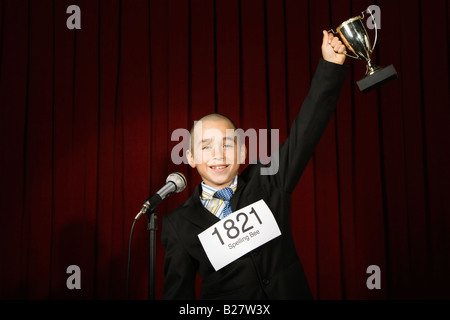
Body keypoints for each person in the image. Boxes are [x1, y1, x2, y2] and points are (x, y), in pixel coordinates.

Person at [161, 31, 348, 299]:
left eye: (227, 144)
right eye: (206, 146)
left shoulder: (269, 180)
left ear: (242, 151)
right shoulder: (177, 224)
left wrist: (330, 65)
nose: (218, 155)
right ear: (190, 158)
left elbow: (306, 131)